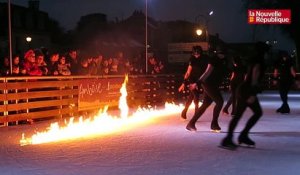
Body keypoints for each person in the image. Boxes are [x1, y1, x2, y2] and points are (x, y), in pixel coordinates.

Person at [220, 41, 270, 149]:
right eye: (267, 51)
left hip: (243, 89)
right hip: (247, 90)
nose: (268, 54)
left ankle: (232, 138)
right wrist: (252, 93)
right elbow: (254, 78)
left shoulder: (253, 61)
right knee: (257, 113)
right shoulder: (259, 62)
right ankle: (240, 136)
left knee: (239, 115)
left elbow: (248, 76)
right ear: (263, 52)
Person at [186, 48, 227, 132]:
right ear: (218, 53)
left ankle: (191, 123)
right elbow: (207, 72)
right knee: (220, 102)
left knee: (205, 104)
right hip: (208, 84)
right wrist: (197, 83)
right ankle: (214, 124)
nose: (223, 55)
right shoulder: (214, 60)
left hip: (213, 85)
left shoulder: (222, 60)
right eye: (222, 53)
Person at [178, 45, 208, 120]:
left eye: (198, 54)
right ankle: (196, 113)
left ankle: (184, 111)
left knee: (191, 96)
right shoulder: (192, 59)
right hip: (192, 79)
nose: (196, 55)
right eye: (195, 54)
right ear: (193, 54)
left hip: (199, 79)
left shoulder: (205, 58)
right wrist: (183, 82)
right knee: (196, 94)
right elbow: (188, 72)